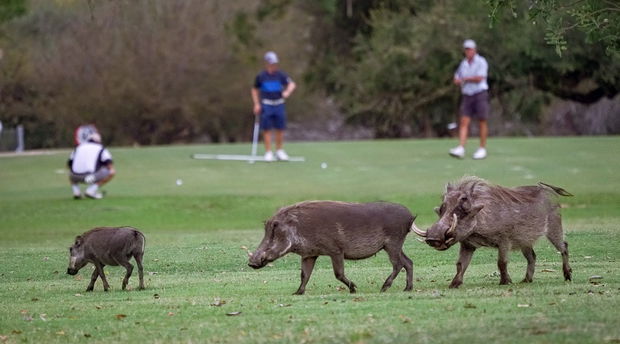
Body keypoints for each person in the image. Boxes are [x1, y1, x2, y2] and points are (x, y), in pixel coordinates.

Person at [251, 51, 296, 162]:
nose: (274, 66)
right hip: (266, 104)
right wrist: (256, 104)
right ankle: (268, 152)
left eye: (275, 63)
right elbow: (254, 89)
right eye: (272, 63)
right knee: (266, 129)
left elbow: (292, 84)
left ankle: (279, 151)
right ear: (267, 63)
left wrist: (287, 92)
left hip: (279, 103)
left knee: (280, 128)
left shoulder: (281, 75)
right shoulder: (261, 76)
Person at [449, 39, 490, 160]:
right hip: (467, 95)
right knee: (464, 121)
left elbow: (480, 78)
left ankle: (482, 148)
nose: (468, 52)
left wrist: (465, 79)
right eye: (466, 49)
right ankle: (461, 148)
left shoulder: (481, 61)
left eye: (470, 49)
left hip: (479, 93)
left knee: (482, 120)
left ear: (474, 50)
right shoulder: (464, 63)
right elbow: (457, 77)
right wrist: (458, 80)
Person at [67, 132, 115, 199]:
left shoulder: (78, 147)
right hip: (90, 178)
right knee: (110, 172)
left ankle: (76, 192)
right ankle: (91, 190)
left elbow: (69, 163)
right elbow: (108, 162)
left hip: (74, 177)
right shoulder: (101, 148)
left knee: (71, 171)